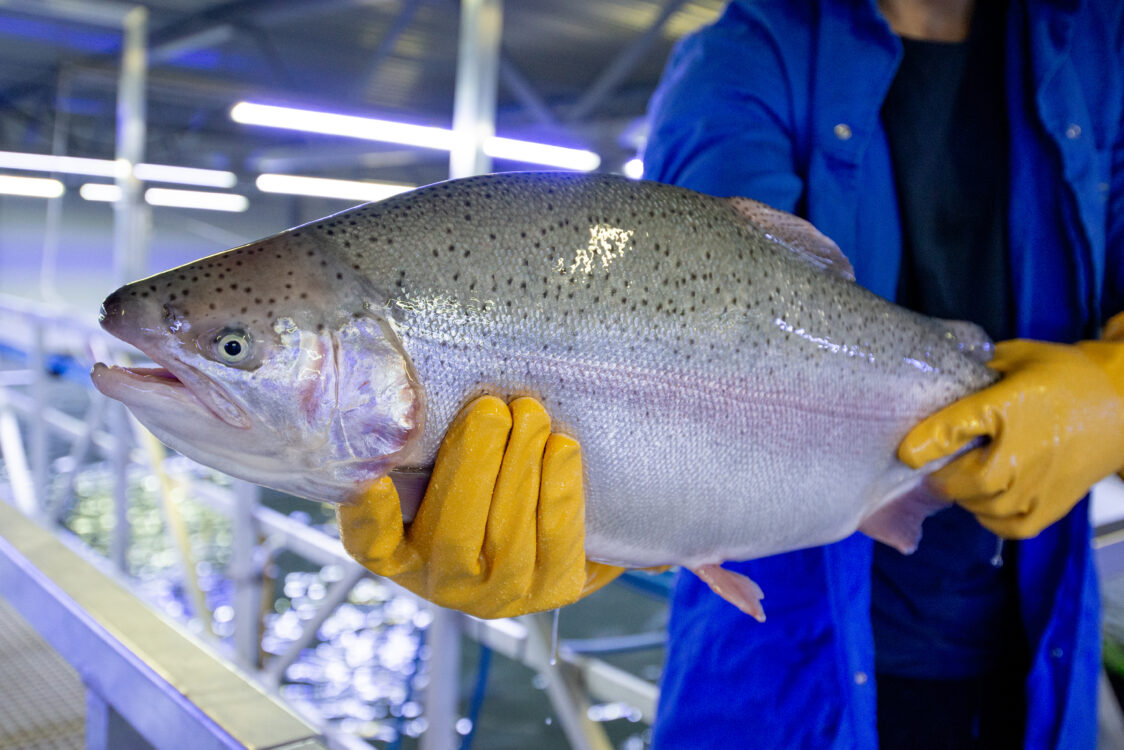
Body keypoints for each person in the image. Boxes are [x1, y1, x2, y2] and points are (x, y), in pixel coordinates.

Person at [339, 0, 1124, 746]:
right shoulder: (741, 57)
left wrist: (1113, 392)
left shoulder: (1105, 46)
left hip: (1039, 661)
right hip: (778, 680)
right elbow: (697, 300)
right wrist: (606, 520)